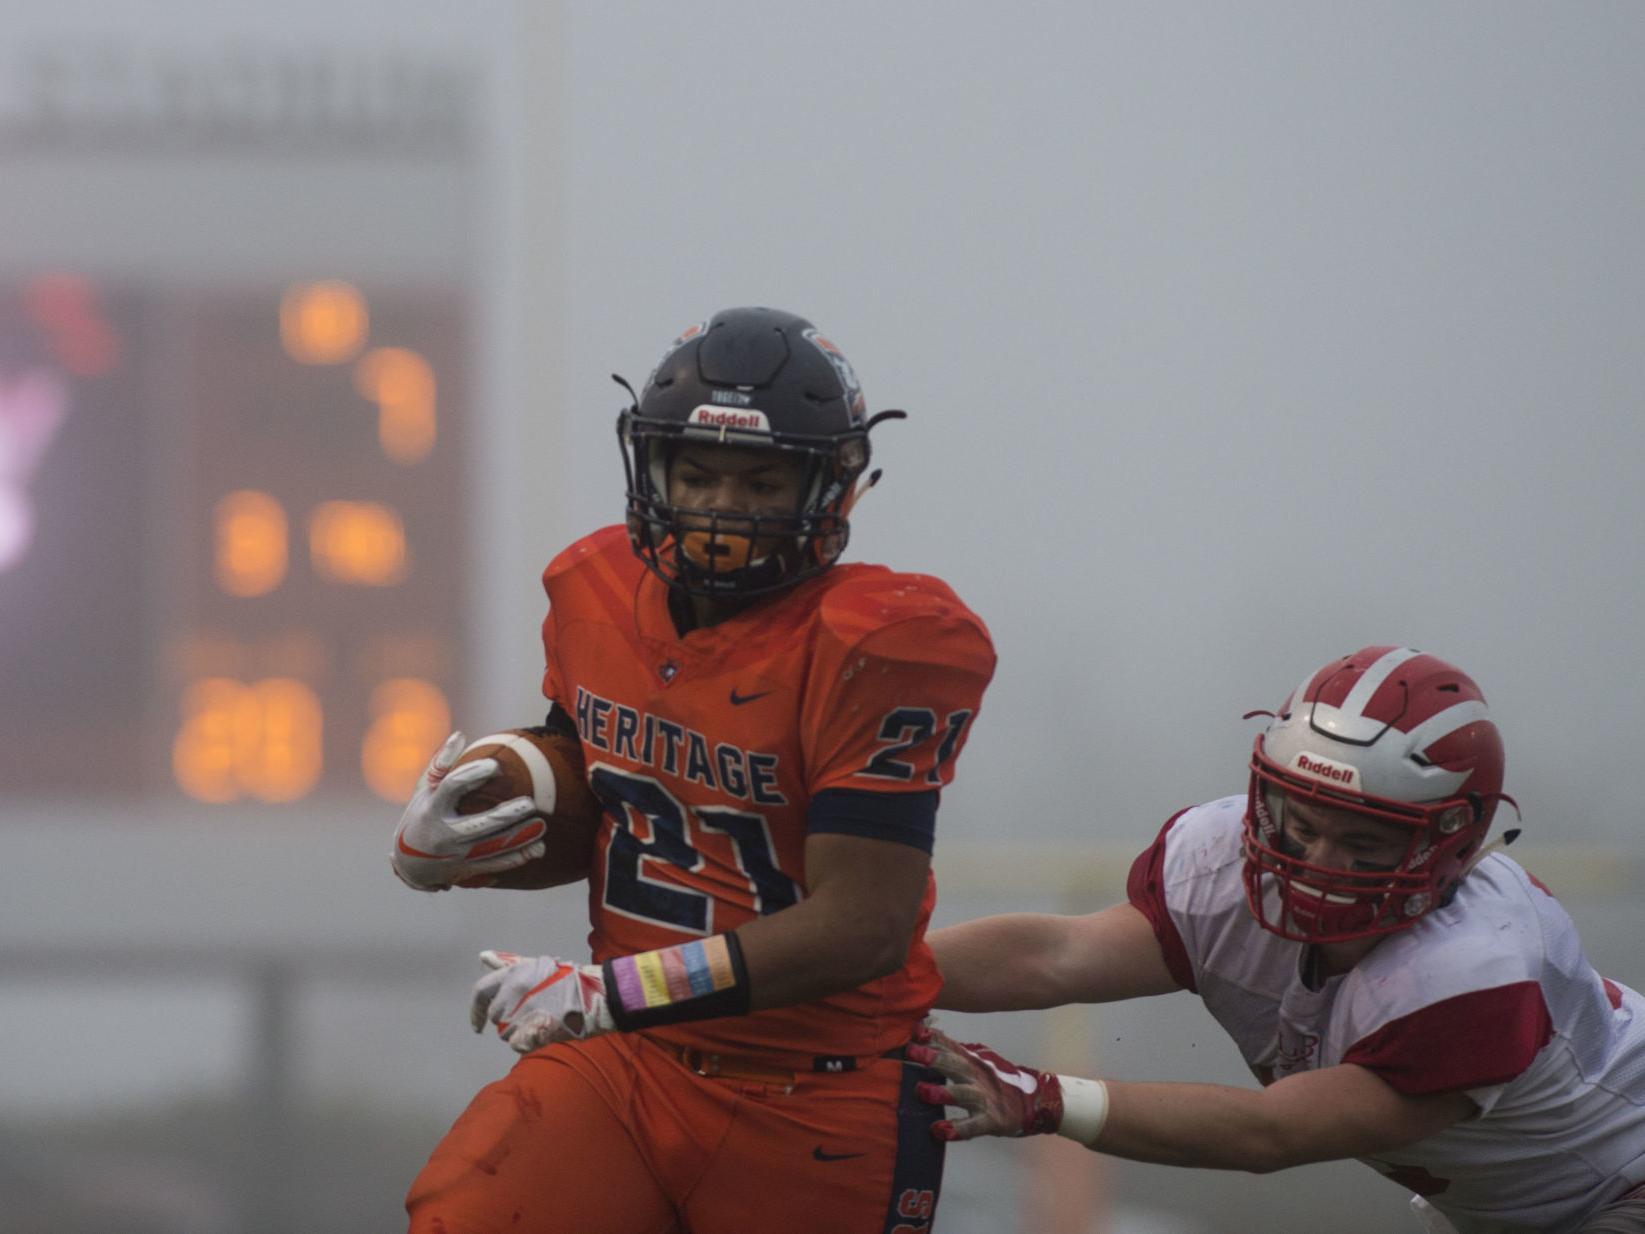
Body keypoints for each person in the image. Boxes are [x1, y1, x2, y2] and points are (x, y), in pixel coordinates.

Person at [392, 306, 996, 1234]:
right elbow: (600, 813)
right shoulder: (593, 587)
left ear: (833, 487)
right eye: (701, 475)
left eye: (761, 483)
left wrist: (607, 991)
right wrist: (464, 843)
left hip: (817, 1097)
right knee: (468, 1211)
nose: (722, 507)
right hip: (631, 1064)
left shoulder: (885, 637)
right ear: (653, 465)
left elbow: (862, 927)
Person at [913, 646, 1645, 1234]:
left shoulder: (1476, 969)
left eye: (1362, 840)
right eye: (1301, 824)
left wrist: (1039, 1096)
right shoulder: (1218, 857)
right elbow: (1057, 956)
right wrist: (874, 974)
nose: (1317, 864)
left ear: (1452, 839)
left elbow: (1272, 1134)